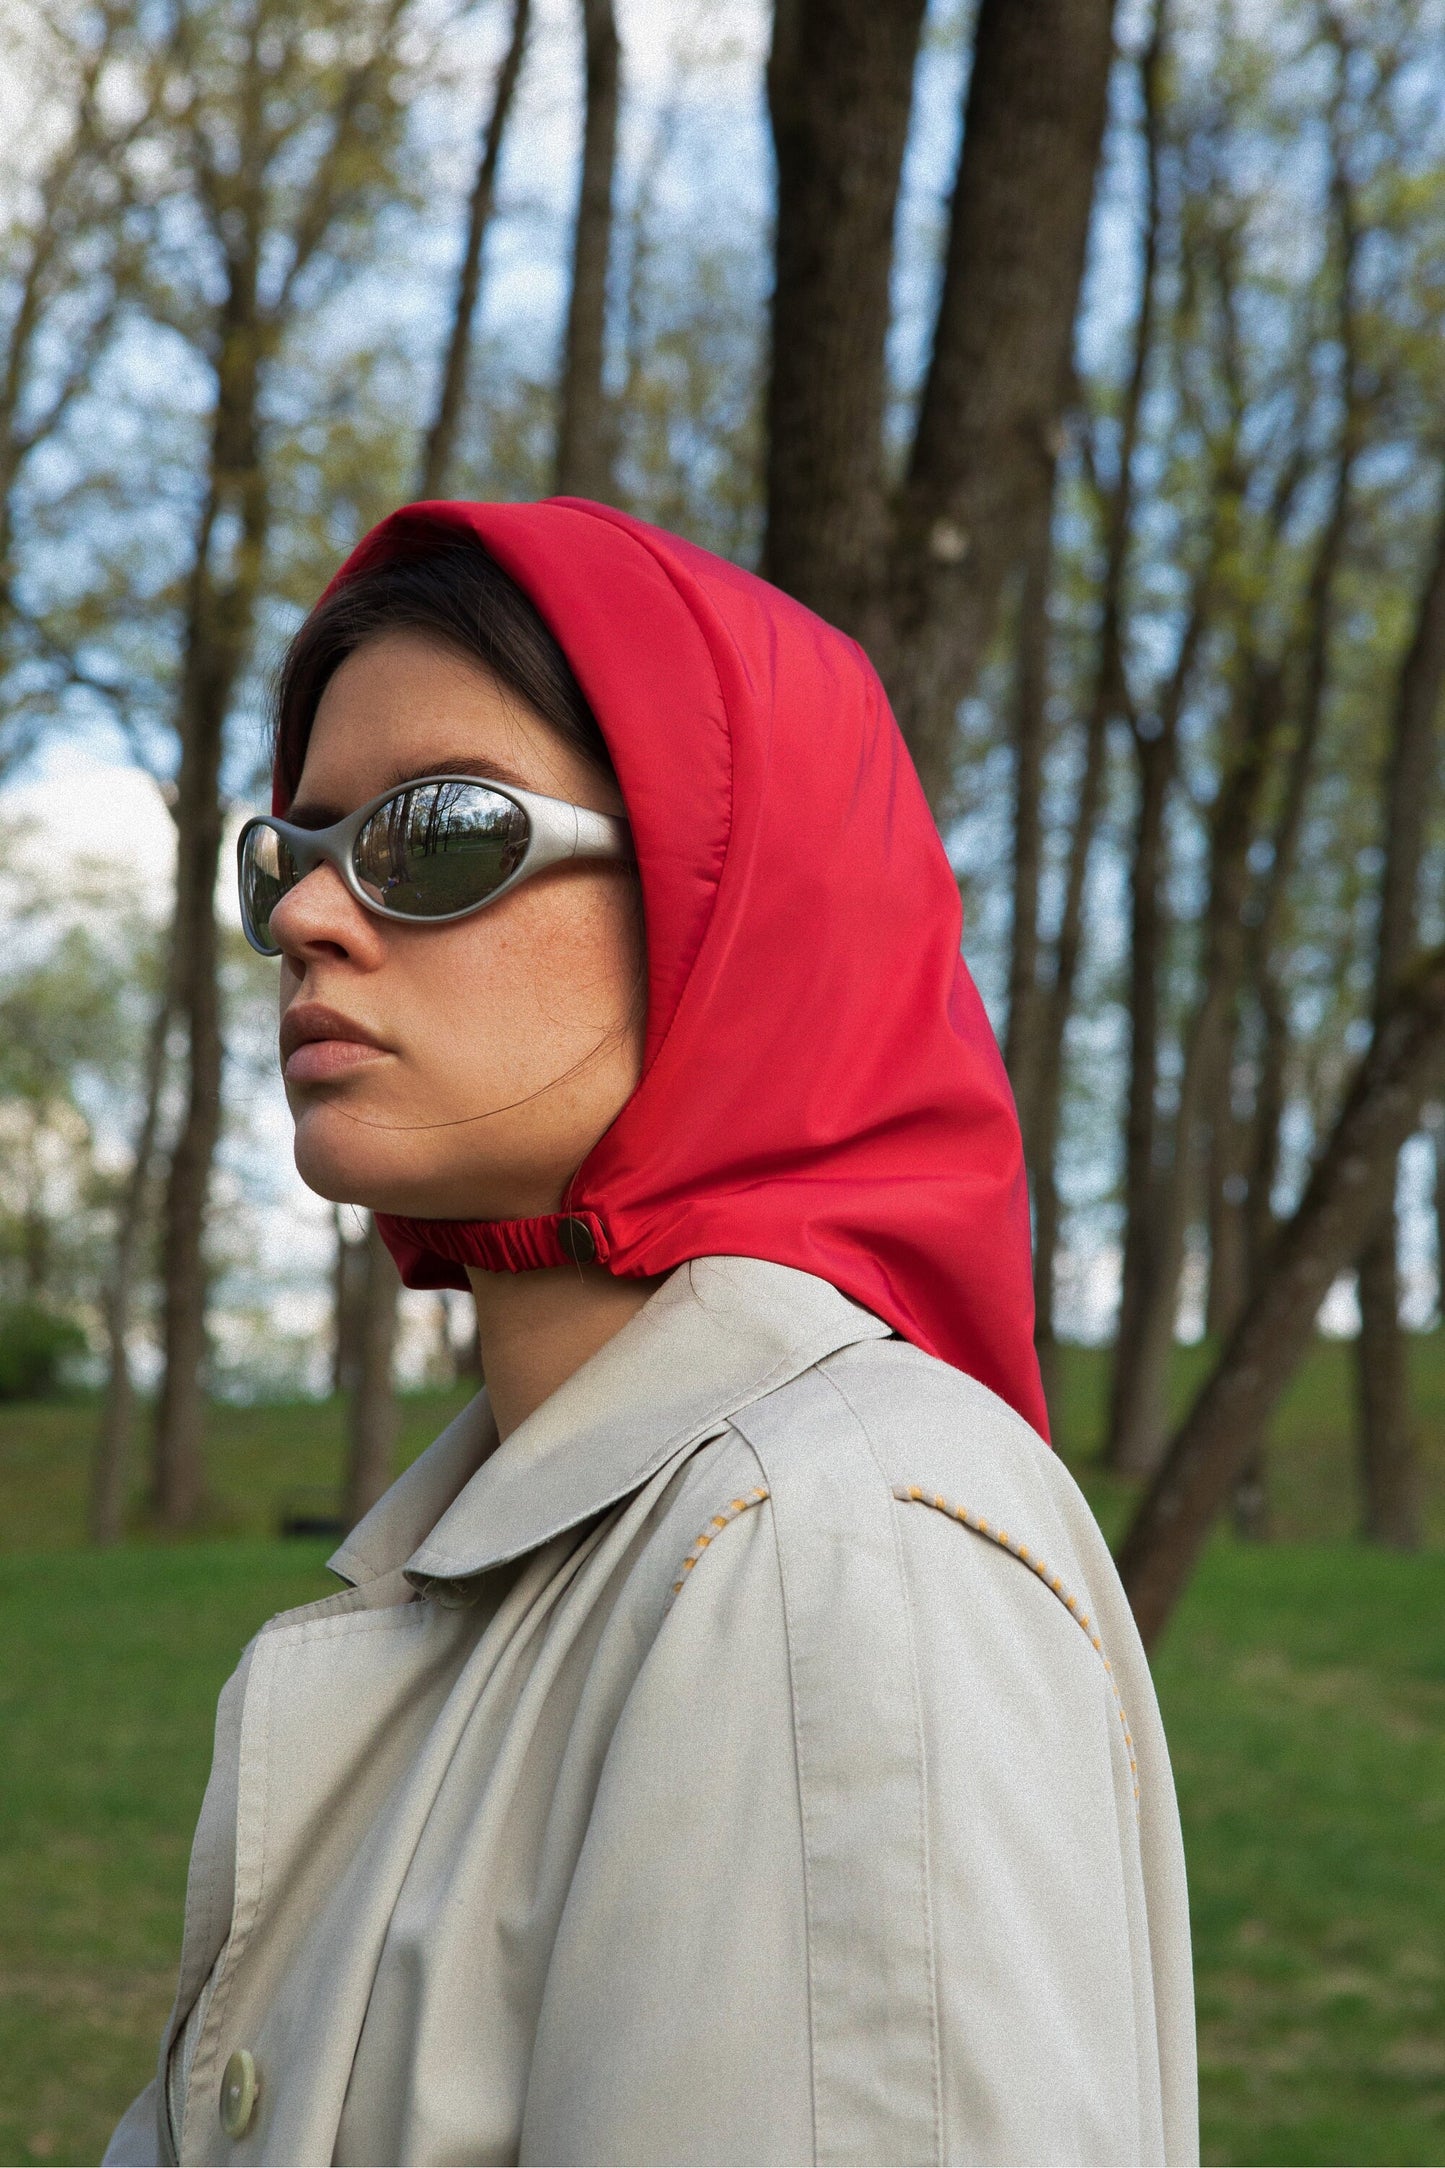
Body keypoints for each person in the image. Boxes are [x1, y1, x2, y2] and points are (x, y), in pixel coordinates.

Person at [105, 498, 1197, 2167]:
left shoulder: (825, 1552)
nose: (314, 920)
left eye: (435, 833)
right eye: (295, 856)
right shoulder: (577, 1541)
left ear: (736, 901)